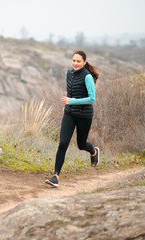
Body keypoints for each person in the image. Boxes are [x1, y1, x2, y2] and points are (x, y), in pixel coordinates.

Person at [45, 50, 100, 188]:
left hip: (84, 115)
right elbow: (71, 92)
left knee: (81, 145)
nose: (75, 63)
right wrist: (68, 106)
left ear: (84, 62)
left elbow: (91, 98)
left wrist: (71, 101)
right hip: (70, 114)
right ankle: (55, 176)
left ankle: (94, 151)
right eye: (73, 60)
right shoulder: (68, 74)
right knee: (63, 143)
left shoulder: (87, 77)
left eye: (78, 61)